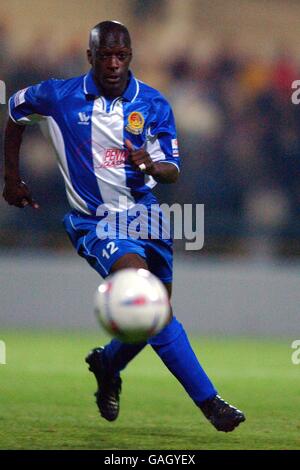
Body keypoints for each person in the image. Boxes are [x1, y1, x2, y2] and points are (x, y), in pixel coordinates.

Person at [3, 20, 245, 432]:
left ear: (130, 57)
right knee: (145, 296)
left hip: (147, 217)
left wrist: (151, 164)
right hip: (94, 222)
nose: (114, 64)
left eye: (121, 56)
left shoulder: (152, 104)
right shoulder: (59, 97)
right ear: (90, 57)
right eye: (105, 56)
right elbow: (14, 111)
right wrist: (11, 177)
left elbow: (172, 170)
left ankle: (107, 364)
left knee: (153, 314)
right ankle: (211, 404)